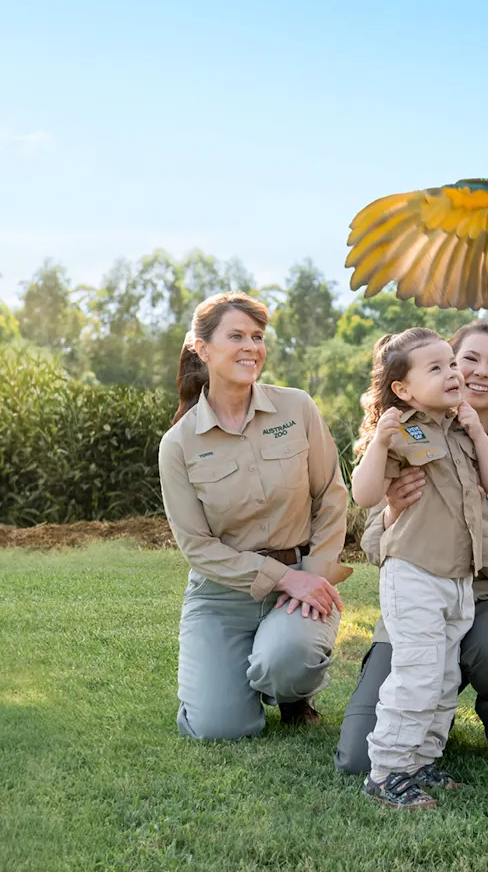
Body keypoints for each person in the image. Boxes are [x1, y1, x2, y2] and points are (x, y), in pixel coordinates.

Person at [334, 320, 488, 776]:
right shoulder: (409, 437)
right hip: (418, 594)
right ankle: (402, 761)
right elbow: (374, 543)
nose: (475, 372)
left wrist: (465, 527)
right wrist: (395, 511)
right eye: (464, 358)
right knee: (358, 756)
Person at [158, 291, 352, 740]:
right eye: (237, 336)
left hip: (303, 571)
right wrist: (281, 579)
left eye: (258, 337)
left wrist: (314, 577)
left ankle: (291, 691)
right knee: (218, 728)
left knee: (287, 662)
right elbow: (198, 548)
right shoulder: (179, 444)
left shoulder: (296, 407)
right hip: (222, 596)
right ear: (202, 349)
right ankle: (233, 679)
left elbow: (332, 496)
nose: (252, 347)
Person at [349, 327, 488, 809]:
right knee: (416, 674)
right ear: (403, 388)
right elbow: (364, 495)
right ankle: (387, 771)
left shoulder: (462, 429)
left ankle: (422, 760)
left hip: (457, 578)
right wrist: (379, 443)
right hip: (414, 573)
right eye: (436, 367)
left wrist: (478, 430)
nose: (453, 373)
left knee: (442, 679)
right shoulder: (400, 431)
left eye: (451, 363)